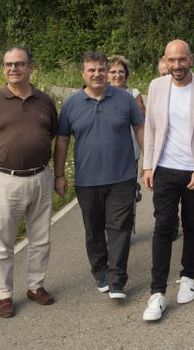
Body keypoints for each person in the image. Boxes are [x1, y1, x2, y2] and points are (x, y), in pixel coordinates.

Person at [0, 47, 59, 318]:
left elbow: (51, 133)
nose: (13, 69)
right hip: (5, 180)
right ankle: (4, 295)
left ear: (31, 67)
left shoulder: (45, 101)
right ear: (3, 68)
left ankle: (35, 286)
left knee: (40, 237)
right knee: (3, 240)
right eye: (8, 65)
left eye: (19, 64)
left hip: (40, 177)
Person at [54, 51, 144, 300]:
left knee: (120, 228)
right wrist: (59, 175)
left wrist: (148, 164)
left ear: (106, 71)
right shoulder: (71, 104)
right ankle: (100, 271)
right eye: (91, 70)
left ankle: (117, 279)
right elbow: (62, 141)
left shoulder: (125, 99)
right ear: (83, 74)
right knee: (94, 229)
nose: (97, 74)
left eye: (101, 69)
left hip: (122, 177)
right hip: (87, 180)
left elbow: (140, 127)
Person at [140, 40, 194, 321]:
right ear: (165, 60)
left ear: (191, 59)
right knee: (162, 227)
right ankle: (157, 292)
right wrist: (148, 165)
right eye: (171, 60)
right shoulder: (156, 86)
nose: (177, 65)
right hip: (165, 168)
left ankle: (188, 277)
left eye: (182, 59)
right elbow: (150, 128)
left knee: (191, 223)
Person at [108, 55, 146, 203]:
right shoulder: (100, 94)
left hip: (130, 152)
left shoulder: (133, 94)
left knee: (127, 188)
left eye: (121, 71)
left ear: (126, 74)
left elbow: (143, 122)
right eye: (113, 72)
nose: (117, 75)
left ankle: (131, 203)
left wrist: (146, 156)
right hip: (107, 151)